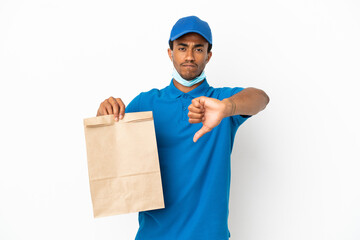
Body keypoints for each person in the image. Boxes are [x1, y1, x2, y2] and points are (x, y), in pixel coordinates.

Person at [96, 16, 269, 240]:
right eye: (182, 47)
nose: (189, 56)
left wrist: (227, 107)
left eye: (198, 49)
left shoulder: (220, 101)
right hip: (153, 234)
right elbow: (111, 154)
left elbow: (261, 98)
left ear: (208, 55)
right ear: (170, 53)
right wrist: (104, 116)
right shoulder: (146, 103)